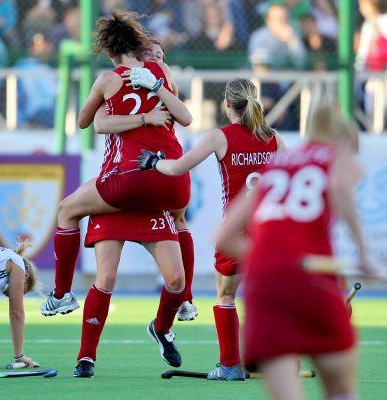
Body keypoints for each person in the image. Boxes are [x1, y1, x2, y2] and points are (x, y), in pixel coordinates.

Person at [215, 105, 379, 400]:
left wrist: (269, 260)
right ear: (344, 138)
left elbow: (223, 235)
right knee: (341, 390)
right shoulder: (337, 157)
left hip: (264, 287)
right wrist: (364, 254)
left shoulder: (276, 164)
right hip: (312, 283)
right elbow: (341, 185)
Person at [40, 12, 193, 320]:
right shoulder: (161, 71)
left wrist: (109, 104)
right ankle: (185, 299)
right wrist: (151, 104)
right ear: (137, 45)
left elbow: (85, 122)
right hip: (173, 171)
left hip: (129, 175)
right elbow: (183, 117)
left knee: (67, 210)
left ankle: (62, 294)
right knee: (179, 221)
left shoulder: (108, 79)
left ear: (110, 52)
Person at [139, 78, 285, 380]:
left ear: (227, 104)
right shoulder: (273, 138)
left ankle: (230, 365)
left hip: (237, 232)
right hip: (270, 231)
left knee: (226, 296)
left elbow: (177, 168)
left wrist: (153, 162)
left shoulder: (221, 137)